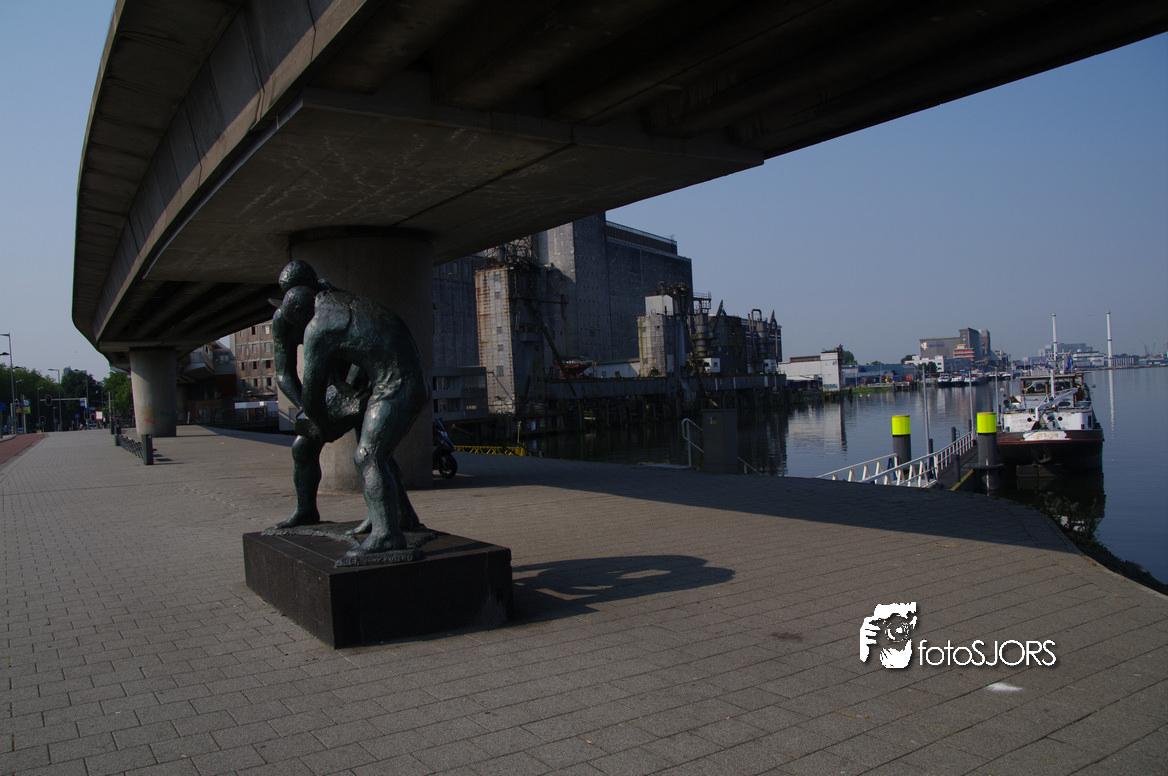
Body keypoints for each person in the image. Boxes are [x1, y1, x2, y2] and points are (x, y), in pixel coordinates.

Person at [272, 260, 429, 558]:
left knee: (369, 455)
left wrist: (322, 421)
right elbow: (288, 377)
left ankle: (387, 535)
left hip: (388, 384)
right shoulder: (307, 311)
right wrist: (317, 419)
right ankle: (397, 516)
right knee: (307, 447)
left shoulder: (321, 322)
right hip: (373, 382)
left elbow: (314, 392)